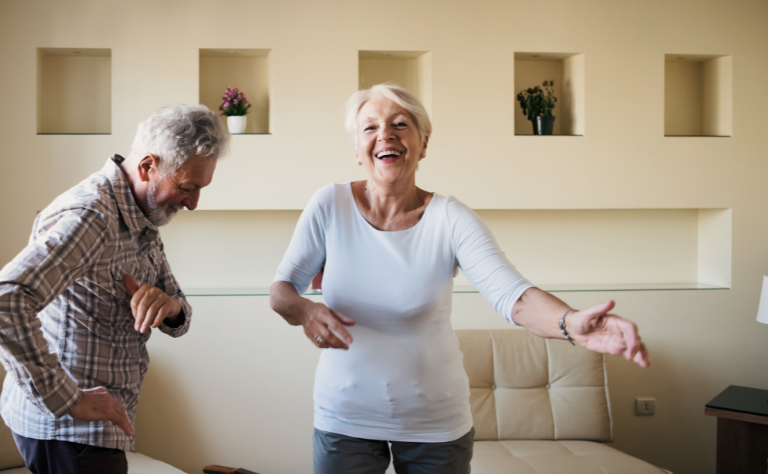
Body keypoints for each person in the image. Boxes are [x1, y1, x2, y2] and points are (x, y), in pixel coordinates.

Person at [269, 84, 650, 474]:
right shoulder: (329, 205)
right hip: (345, 416)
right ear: (357, 148)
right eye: (370, 127)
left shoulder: (450, 218)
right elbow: (282, 291)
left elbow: (513, 296)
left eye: (400, 124)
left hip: (434, 421)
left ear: (423, 143)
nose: (385, 135)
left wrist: (570, 323)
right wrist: (306, 311)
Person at [0, 104, 230, 474]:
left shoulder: (143, 215)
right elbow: (1, 302)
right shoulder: (92, 216)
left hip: (93, 430)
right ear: (148, 166)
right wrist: (69, 399)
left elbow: (181, 314)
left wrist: (169, 306)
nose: (193, 203)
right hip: (72, 431)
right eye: (187, 188)